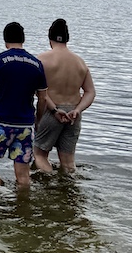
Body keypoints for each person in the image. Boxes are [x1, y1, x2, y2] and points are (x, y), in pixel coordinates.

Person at [0, 21, 49, 188]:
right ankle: (22, 205)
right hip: (25, 125)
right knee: (23, 175)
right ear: (23, 39)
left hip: (0, 122)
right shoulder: (37, 64)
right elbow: (43, 98)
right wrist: (38, 119)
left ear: (5, 40)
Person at [34, 18, 96, 175]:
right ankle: (68, 188)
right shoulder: (80, 62)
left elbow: (40, 90)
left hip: (51, 111)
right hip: (73, 114)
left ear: (50, 39)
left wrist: (54, 110)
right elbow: (90, 92)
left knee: (40, 154)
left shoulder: (42, 60)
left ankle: (49, 185)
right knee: (68, 162)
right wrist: (78, 110)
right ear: (67, 39)